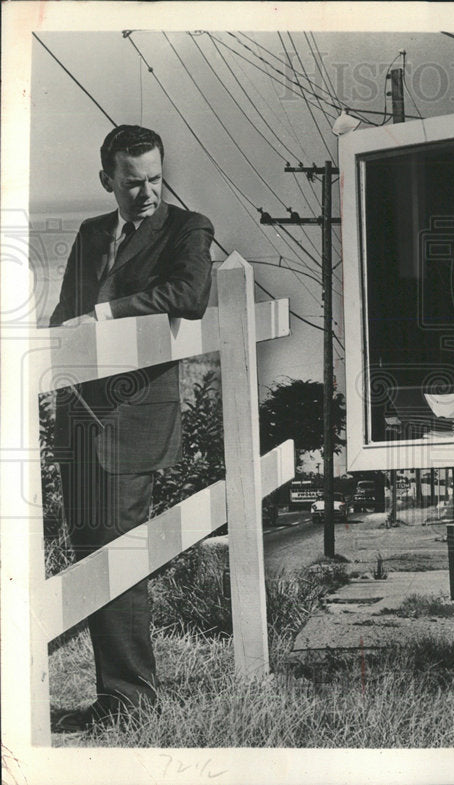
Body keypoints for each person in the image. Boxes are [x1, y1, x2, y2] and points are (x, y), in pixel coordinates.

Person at [49, 125, 214, 732]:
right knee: (92, 554)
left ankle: (131, 700)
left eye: (155, 179)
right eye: (132, 182)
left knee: (120, 556)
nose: (147, 192)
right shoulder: (93, 233)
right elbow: (63, 313)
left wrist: (107, 312)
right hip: (79, 420)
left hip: (134, 423)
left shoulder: (187, 228)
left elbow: (190, 294)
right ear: (107, 181)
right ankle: (116, 697)